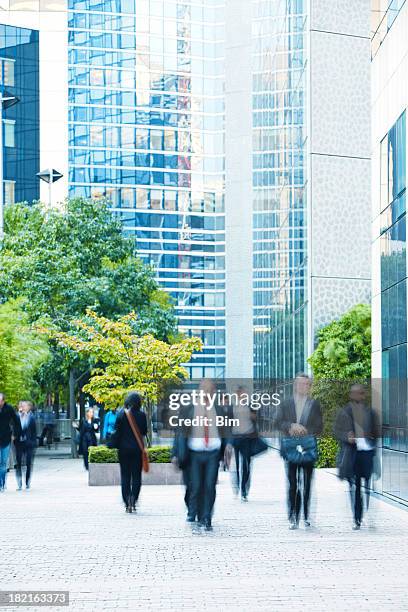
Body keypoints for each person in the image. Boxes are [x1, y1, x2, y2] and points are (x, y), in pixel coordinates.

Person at [276, 373, 322, 529]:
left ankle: (306, 516)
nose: (305, 387)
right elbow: (277, 422)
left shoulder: (314, 404)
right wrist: (291, 426)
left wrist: (305, 429)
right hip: (290, 449)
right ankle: (293, 516)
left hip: (308, 448)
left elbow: (320, 426)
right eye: (302, 384)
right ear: (296, 385)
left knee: (307, 484)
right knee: (293, 484)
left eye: (307, 384)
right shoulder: (285, 403)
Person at [334, 384, 380, 530]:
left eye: (360, 393)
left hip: (367, 453)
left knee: (367, 486)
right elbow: (336, 431)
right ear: (351, 395)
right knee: (355, 487)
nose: (358, 396)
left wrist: (371, 438)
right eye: (355, 393)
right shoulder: (344, 412)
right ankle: (357, 519)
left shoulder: (371, 413)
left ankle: (367, 514)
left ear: (363, 395)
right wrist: (347, 437)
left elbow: (377, 432)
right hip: (352, 454)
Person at [185, 379, 229, 531]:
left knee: (210, 486)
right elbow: (181, 432)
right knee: (196, 486)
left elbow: (226, 428)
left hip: (213, 452)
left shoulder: (219, 408)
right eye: (204, 388)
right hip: (195, 452)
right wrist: (177, 453)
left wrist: (228, 447)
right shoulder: (190, 407)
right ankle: (197, 514)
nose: (206, 391)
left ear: (214, 392)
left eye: (210, 389)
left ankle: (207, 517)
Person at [108, 392, 147, 513]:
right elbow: (144, 431)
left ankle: (126, 501)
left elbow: (116, 431)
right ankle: (133, 499)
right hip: (137, 450)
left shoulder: (121, 415)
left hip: (123, 450)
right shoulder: (142, 415)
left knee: (125, 476)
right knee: (136, 476)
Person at [229, 386, 258, 501]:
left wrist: (253, 416)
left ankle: (244, 490)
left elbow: (256, 419)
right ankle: (236, 487)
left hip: (247, 438)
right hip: (236, 438)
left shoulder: (250, 406)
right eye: (240, 394)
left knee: (246, 464)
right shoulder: (232, 407)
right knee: (236, 465)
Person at [0, 393, 21, 492]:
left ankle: (3, 483)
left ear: (3, 401)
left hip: (5, 439)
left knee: (3, 463)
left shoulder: (9, 408)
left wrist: (15, 435)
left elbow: (17, 421)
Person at [15, 401, 37, 491]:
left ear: (28, 407)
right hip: (19, 443)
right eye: (21, 406)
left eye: (24, 406)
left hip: (29, 444)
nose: (23, 407)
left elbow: (34, 431)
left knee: (28, 463)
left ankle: (27, 482)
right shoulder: (17, 417)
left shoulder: (31, 417)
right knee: (18, 463)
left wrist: (33, 443)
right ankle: (19, 483)